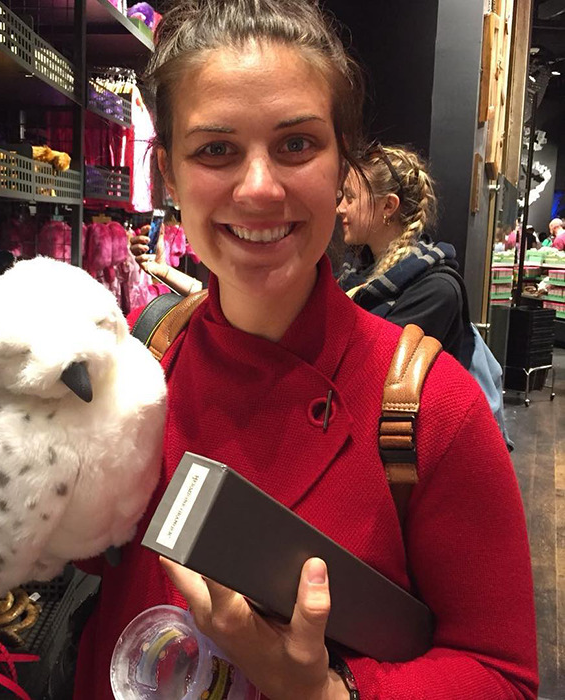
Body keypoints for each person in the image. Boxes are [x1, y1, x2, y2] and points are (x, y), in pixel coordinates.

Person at [73, 2, 538, 699]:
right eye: (216, 150)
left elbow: (502, 676)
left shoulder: (435, 409)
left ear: (343, 165)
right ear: (168, 173)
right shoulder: (140, 359)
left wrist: (328, 692)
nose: (259, 187)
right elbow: (99, 567)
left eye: (296, 144)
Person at [335, 144, 464, 360]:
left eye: (350, 198)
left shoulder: (436, 291)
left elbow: (371, 364)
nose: (339, 208)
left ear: (388, 206)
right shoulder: (354, 271)